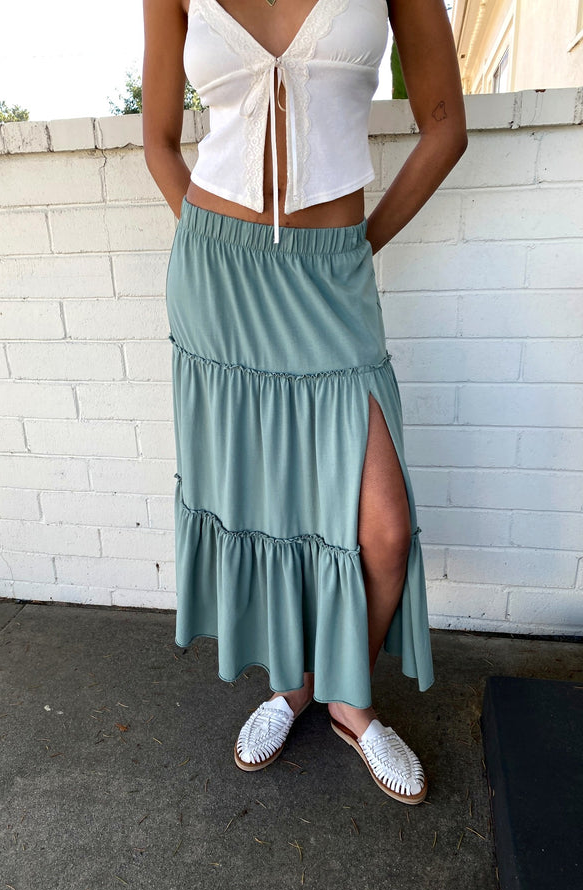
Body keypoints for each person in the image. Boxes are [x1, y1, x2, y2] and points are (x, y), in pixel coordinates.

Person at [142, 0, 467, 805]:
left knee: (383, 531)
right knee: (274, 507)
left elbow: (445, 125)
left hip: (331, 275)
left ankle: (347, 700)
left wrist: (359, 248)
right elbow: (158, 140)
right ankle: (294, 691)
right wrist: (224, 249)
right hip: (220, 282)